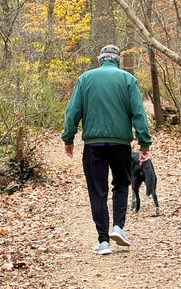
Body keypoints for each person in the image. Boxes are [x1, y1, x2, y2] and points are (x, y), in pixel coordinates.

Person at [61, 44, 152, 255]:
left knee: (97, 190)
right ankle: (118, 227)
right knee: (121, 183)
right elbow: (138, 113)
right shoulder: (128, 80)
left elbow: (73, 111)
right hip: (121, 144)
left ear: (100, 59)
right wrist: (144, 143)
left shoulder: (85, 79)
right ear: (117, 60)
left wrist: (68, 138)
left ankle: (103, 241)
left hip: (93, 145)